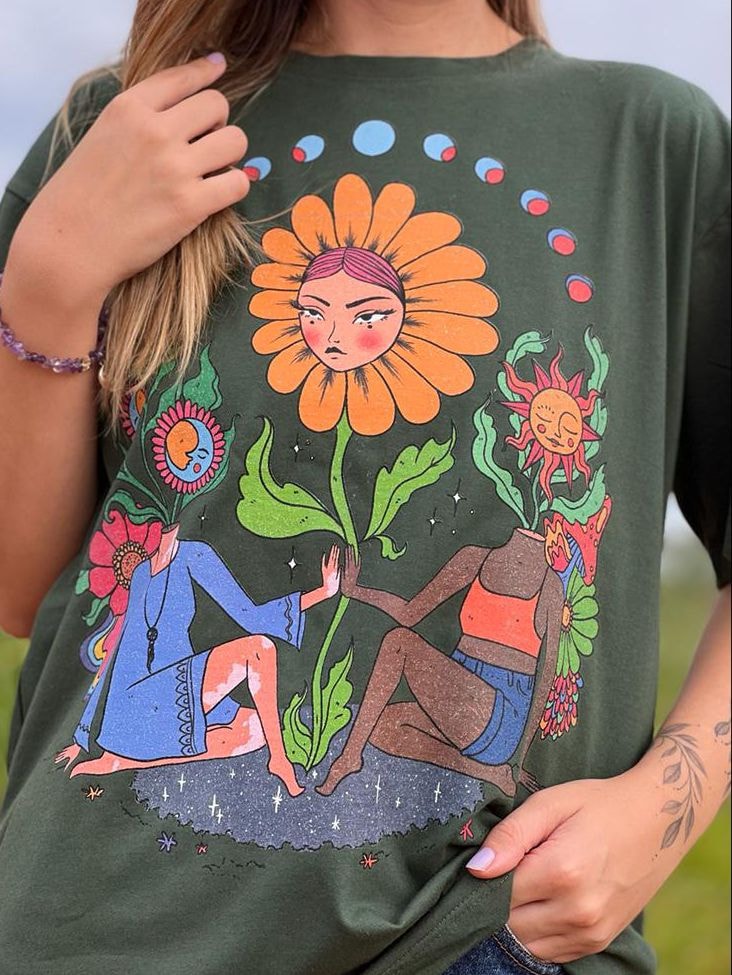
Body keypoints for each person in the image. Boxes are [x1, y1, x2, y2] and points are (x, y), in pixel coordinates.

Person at [0, 2, 728, 974]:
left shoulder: (650, 145)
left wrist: (661, 808)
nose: (338, 336)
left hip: (477, 931)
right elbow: (26, 588)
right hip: (98, 931)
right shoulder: (129, 122)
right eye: (319, 315)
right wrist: (46, 285)